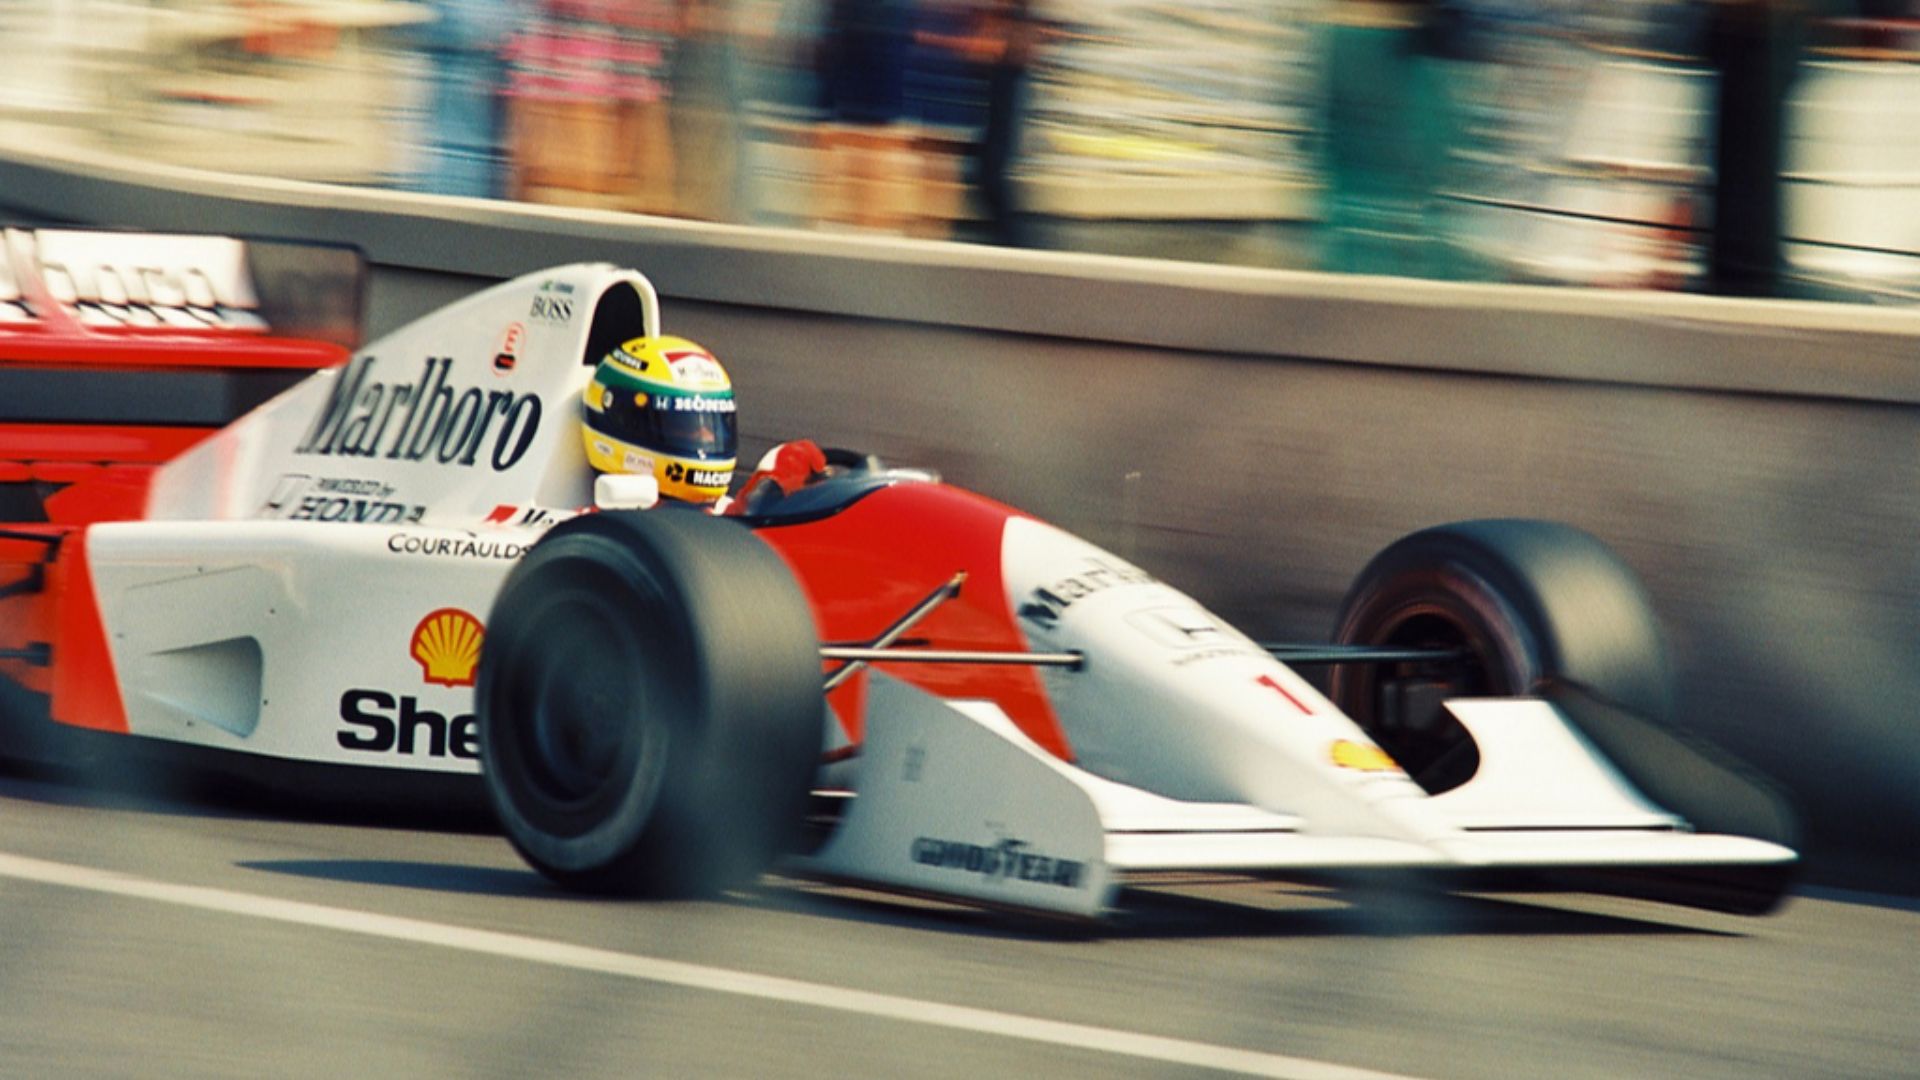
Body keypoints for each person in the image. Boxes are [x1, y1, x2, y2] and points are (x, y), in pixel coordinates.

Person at [583, 335, 827, 508]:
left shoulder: (718, 514)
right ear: (627, 423)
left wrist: (769, 490)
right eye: (685, 426)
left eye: (713, 425)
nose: (708, 437)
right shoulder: (583, 533)